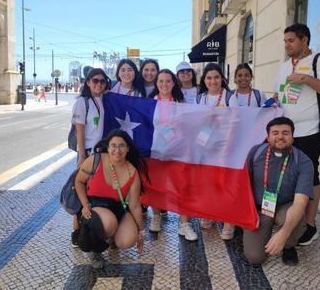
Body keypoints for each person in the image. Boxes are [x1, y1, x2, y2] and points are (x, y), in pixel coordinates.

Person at [274, 23, 320, 246]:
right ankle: (291, 220)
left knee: (310, 177)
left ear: (305, 40)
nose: (287, 45)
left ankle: (311, 225)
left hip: (309, 132)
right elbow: (280, 95)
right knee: (287, 178)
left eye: (291, 40)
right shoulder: (284, 66)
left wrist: (305, 79)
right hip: (284, 134)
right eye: (285, 41)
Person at [243, 117, 314, 266]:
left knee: (294, 217)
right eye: (275, 133)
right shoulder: (255, 153)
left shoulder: (304, 161)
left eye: (285, 133)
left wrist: (283, 234)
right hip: (261, 209)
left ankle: (289, 245)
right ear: (268, 137)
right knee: (254, 257)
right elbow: (243, 185)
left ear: (292, 137)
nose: (280, 136)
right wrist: (246, 214)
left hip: (286, 207)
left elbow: (301, 202)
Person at [74, 129, 149, 269]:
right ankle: (95, 250)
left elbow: (134, 205)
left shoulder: (132, 171)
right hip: (93, 207)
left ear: (127, 149)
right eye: (113, 145)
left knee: (127, 240)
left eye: (121, 145)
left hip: (117, 208)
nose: (117, 150)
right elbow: (78, 182)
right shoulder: (95, 160)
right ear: (108, 148)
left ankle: (111, 236)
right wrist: (84, 204)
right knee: (109, 221)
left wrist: (141, 231)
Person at [147, 69, 198, 241]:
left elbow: (187, 127)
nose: (164, 84)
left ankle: (184, 224)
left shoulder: (180, 103)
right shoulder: (151, 103)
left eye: (168, 81)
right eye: (160, 81)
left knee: (181, 186)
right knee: (156, 185)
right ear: (156, 83)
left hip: (177, 151)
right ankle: (156, 216)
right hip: (156, 151)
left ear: (173, 83)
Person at [70, 68, 111, 247]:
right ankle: (76, 231)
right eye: (95, 80)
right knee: (80, 191)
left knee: (95, 191)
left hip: (101, 153)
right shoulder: (82, 102)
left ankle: (93, 228)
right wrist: (82, 155)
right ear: (88, 82)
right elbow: (80, 130)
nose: (99, 84)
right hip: (87, 152)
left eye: (102, 81)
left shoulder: (103, 99)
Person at [195, 63, 234, 239]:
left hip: (226, 146)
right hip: (206, 146)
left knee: (225, 183)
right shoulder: (200, 98)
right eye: (209, 78)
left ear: (222, 78)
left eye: (216, 77)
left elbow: (236, 122)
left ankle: (228, 220)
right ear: (204, 80)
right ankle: (209, 214)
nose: (213, 81)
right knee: (208, 183)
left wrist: (228, 146)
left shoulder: (230, 96)